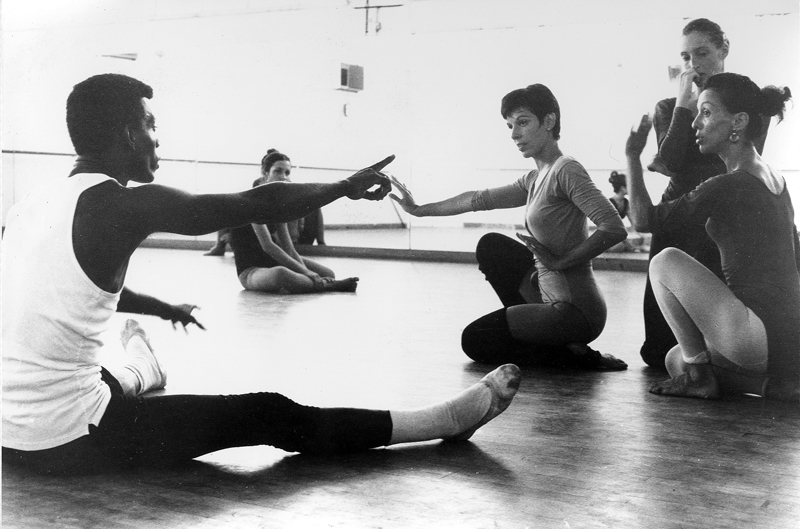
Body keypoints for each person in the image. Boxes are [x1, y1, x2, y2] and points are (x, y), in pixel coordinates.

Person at [1, 73, 522, 475]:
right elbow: (257, 201)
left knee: (110, 380)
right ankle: (445, 419)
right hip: (72, 439)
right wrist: (343, 186)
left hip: (10, 429)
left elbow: (67, 289)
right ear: (126, 134)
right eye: (150, 125)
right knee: (268, 412)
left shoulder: (29, 207)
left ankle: (144, 365)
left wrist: (159, 308)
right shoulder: (119, 206)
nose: (157, 139)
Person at [390, 83, 628, 370]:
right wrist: (419, 210)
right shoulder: (535, 177)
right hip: (548, 296)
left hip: (575, 311)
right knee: (492, 246)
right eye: (510, 125)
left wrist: (560, 262)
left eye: (523, 122)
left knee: (476, 340)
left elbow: (613, 227)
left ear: (549, 121)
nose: (515, 134)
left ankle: (577, 354)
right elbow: (477, 199)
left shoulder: (566, 169)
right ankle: (555, 342)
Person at [624, 73, 797, 401]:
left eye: (705, 112)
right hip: (789, 338)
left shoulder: (727, 184)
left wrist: (633, 156)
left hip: (754, 334)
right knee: (675, 359)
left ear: (739, 122)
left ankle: (700, 378)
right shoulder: (777, 181)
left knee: (664, 261)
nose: (695, 124)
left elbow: (644, 220)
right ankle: (771, 387)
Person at [639, 18, 770, 370]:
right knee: (657, 351)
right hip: (677, 212)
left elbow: (746, 159)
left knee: (717, 324)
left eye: (702, 53)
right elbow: (667, 163)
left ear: (723, 50)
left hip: (719, 211)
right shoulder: (669, 107)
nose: (693, 64)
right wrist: (685, 103)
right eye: (685, 57)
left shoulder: (746, 102)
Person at [230, 149, 356, 294]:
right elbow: (268, 246)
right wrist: (307, 273)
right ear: (265, 173)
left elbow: (288, 248)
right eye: (278, 171)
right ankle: (328, 286)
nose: (283, 177)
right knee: (281, 274)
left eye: (287, 173)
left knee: (328, 273)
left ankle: (316, 283)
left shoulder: (279, 205)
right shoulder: (252, 201)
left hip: (273, 262)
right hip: (252, 271)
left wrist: (308, 272)